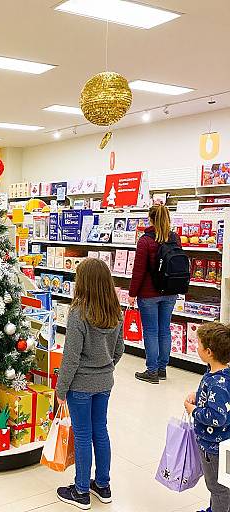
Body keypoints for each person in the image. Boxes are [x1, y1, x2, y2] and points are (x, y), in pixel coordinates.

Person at [56, 258, 124, 510]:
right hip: (104, 383)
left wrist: (61, 389)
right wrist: (105, 369)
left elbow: (71, 357)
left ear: (82, 282)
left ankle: (81, 490)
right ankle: (103, 485)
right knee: (100, 431)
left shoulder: (78, 314)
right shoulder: (116, 311)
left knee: (83, 435)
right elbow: (119, 350)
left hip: (81, 385)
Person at [129, 204, 181, 384]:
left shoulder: (145, 241)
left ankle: (151, 372)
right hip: (170, 291)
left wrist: (132, 293)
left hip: (149, 294)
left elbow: (139, 271)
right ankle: (162, 369)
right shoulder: (174, 238)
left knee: (151, 331)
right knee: (164, 330)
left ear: (150, 219)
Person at [184, 322, 230, 512]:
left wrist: (193, 411)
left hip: (213, 446)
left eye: (198, 345)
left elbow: (218, 417)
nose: (196, 348)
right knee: (223, 484)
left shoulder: (217, 384)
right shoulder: (220, 373)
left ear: (209, 352)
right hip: (222, 443)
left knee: (217, 486)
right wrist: (199, 396)